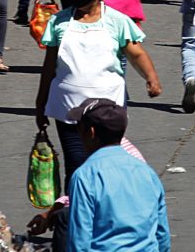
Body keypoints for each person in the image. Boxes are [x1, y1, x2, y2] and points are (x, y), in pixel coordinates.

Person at [35, 0, 161, 184]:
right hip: (67, 107)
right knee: (75, 166)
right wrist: (41, 103)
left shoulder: (117, 21)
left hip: (107, 109)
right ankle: (74, 211)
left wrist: (151, 78)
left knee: (106, 164)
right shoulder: (59, 22)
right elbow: (49, 67)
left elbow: (136, 53)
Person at [61, 99, 170, 252]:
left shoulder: (85, 176)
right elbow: (162, 233)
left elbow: (79, 239)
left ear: (91, 133)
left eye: (79, 127)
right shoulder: (146, 172)